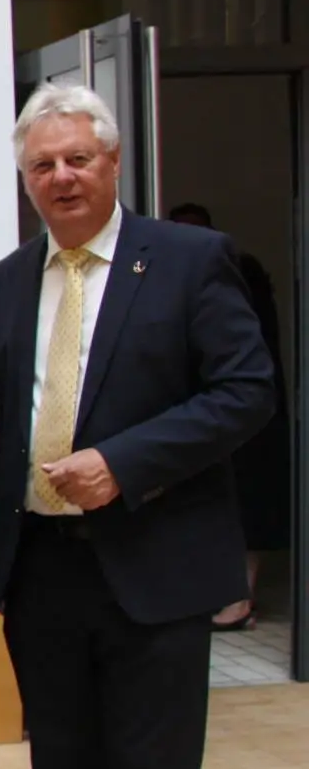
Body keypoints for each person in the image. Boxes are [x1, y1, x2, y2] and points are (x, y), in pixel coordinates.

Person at [0, 85, 273, 769]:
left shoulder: (189, 261)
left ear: (112, 164)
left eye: (76, 158)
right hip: (43, 565)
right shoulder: (11, 276)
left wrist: (129, 462)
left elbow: (248, 391)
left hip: (153, 564)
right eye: (42, 165)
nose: (60, 176)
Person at [165, 202, 289, 630]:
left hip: (242, 411)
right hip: (196, 412)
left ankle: (240, 599)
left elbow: (249, 362)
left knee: (251, 503)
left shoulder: (234, 272)